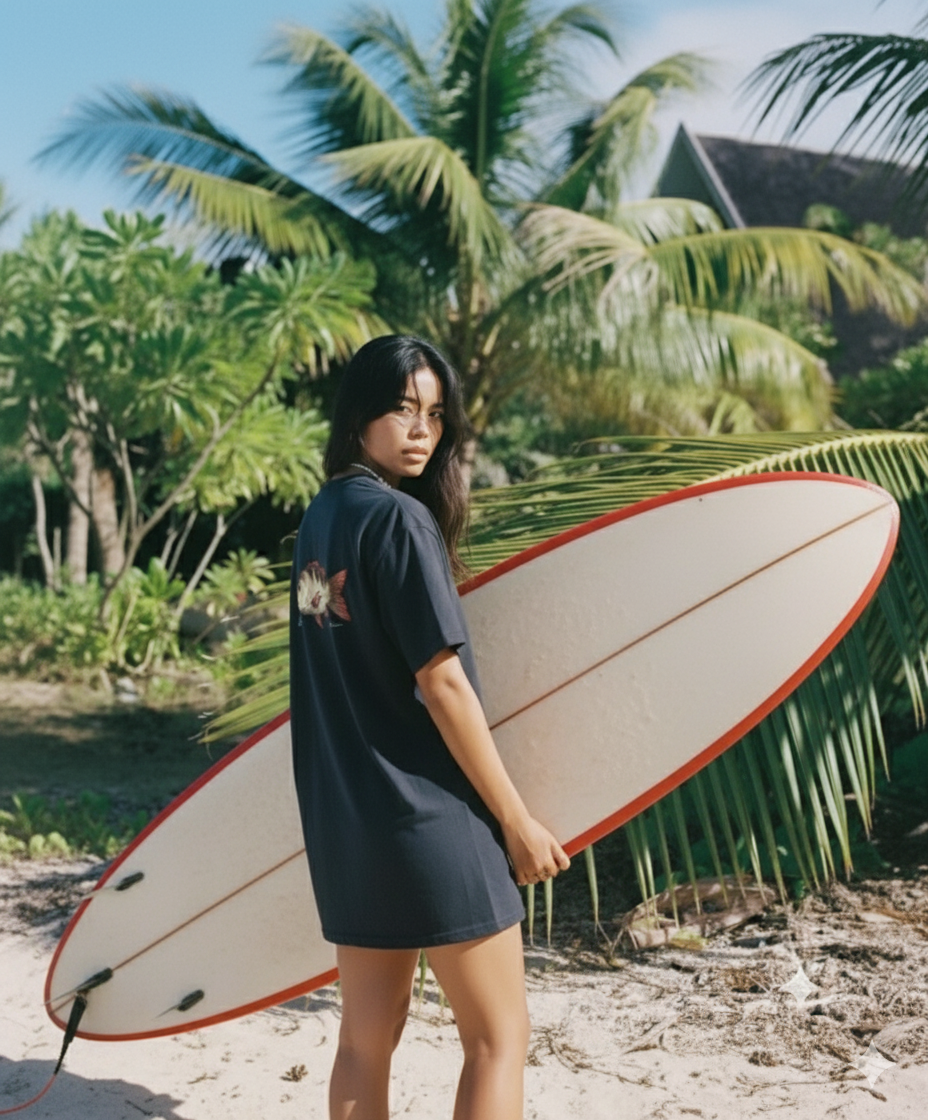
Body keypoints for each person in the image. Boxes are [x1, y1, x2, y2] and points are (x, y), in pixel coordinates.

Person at [289, 334, 570, 1120]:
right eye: (405, 408)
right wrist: (514, 821)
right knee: (497, 1038)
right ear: (360, 413)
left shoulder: (322, 521)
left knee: (363, 1041)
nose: (422, 430)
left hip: (351, 818)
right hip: (429, 820)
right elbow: (441, 682)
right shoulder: (398, 521)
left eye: (436, 414)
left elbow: (335, 664)